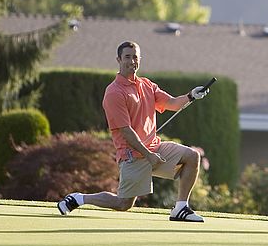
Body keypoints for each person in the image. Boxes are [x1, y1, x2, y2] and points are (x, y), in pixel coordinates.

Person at [57, 40, 210, 222]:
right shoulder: (114, 92)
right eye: (127, 57)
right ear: (119, 59)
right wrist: (148, 155)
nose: (132, 61)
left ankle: (180, 208)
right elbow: (126, 131)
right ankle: (79, 198)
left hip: (155, 149)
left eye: (135, 57)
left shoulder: (147, 85)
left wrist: (191, 95)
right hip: (133, 154)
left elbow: (171, 103)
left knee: (192, 156)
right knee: (123, 204)